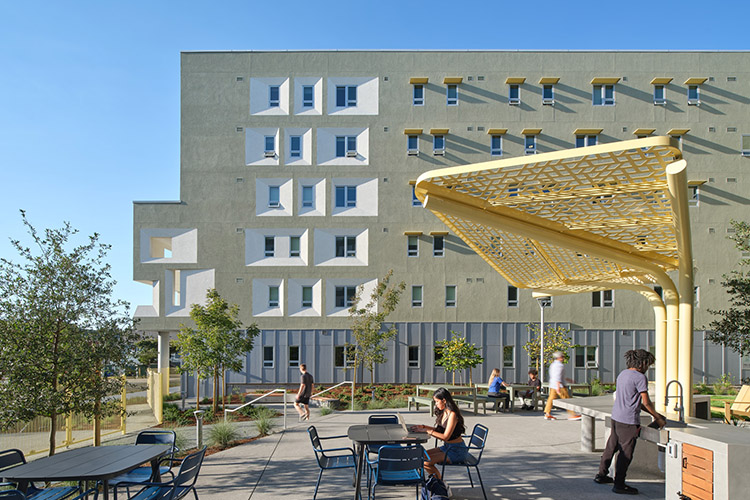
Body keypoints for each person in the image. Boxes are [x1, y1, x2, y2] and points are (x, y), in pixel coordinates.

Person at [595, 349, 665, 495]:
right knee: (625, 453)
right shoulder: (640, 377)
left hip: (616, 417)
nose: (648, 368)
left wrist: (655, 415)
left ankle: (601, 475)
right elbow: (646, 402)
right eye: (648, 365)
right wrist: (658, 418)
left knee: (611, 447)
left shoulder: (623, 374)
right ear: (643, 363)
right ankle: (619, 484)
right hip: (628, 421)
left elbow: (634, 401)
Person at [412, 387, 468, 480]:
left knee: (426, 462)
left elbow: (445, 437)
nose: (436, 404)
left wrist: (428, 431)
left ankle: (440, 485)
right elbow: (440, 430)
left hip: (457, 451)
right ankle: (436, 482)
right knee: (422, 456)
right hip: (447, 447)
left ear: (444, 400)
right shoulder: (444, 412)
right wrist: (423, 427)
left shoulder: (452, 414)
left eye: (437, 401)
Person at [544, 351, 582, 421]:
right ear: (559, 357)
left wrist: (568, 379)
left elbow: (557, 375)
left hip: (553, 384)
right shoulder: (559, 365)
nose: (563, 358)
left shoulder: (553, 364)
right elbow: (557, 376)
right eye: (562, 357)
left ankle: (547, 413)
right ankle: (572, 414)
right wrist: (558, 386)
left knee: (551, 399)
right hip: (560, 385)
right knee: (567, 399)